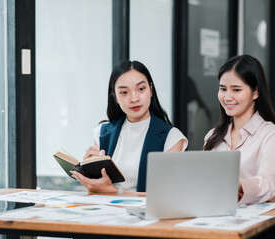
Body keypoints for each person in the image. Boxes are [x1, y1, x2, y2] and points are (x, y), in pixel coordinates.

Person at [203, 55, 275, 239]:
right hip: (218, 223)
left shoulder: (273, 136)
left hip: (262, 229)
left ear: (255, 92)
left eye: (236, 89)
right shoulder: (212, 137)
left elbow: (267, 184)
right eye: (223, 89)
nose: (227, 97)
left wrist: (237, 184)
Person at [71, 60, 188, 194]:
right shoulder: (102, 132)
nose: (134, 99)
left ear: (151, 90)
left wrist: (114, 191)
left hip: (144, 213)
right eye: (124, 92)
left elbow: (164, 195)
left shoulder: (172, 138)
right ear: (115, 97)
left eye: (141, 89)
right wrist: (90, 172)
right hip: (107, 210)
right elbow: (98, 187)